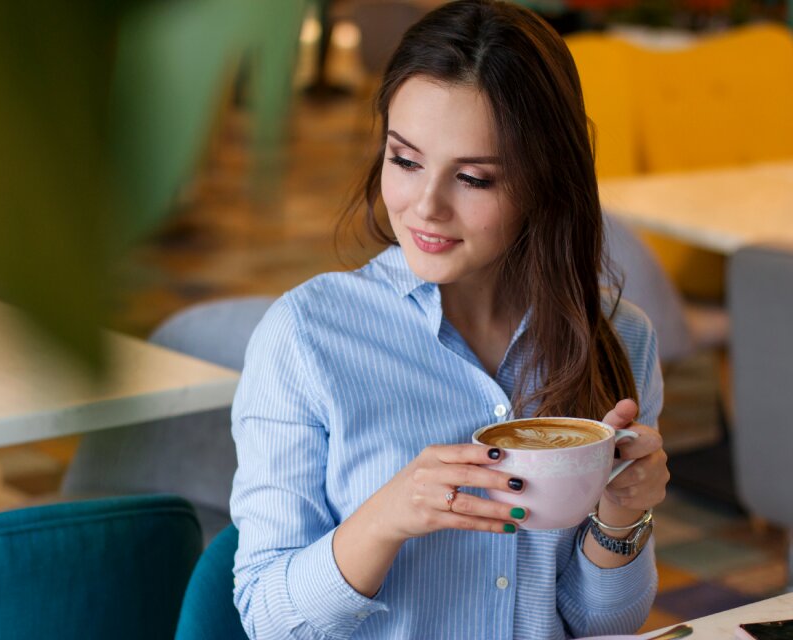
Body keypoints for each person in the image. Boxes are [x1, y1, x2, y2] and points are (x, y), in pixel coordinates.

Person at [229, 1, 670, 638]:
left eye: (472, 178)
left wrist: (621, 518)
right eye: (405, 161)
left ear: (545, 181)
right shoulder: (305, 339)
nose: (425, 207)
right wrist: (386, 517)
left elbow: (605, 622)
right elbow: (268, 618)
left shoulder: (620, 337)